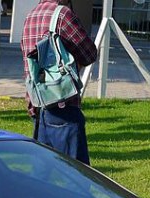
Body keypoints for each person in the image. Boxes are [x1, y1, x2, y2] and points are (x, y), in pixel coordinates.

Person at [20, 0, 98, 164]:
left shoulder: (30, 16)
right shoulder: (62, 15)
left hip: (38, 105)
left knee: (42, 176)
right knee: (77, 175)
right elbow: (89, 53)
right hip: (62, 102)